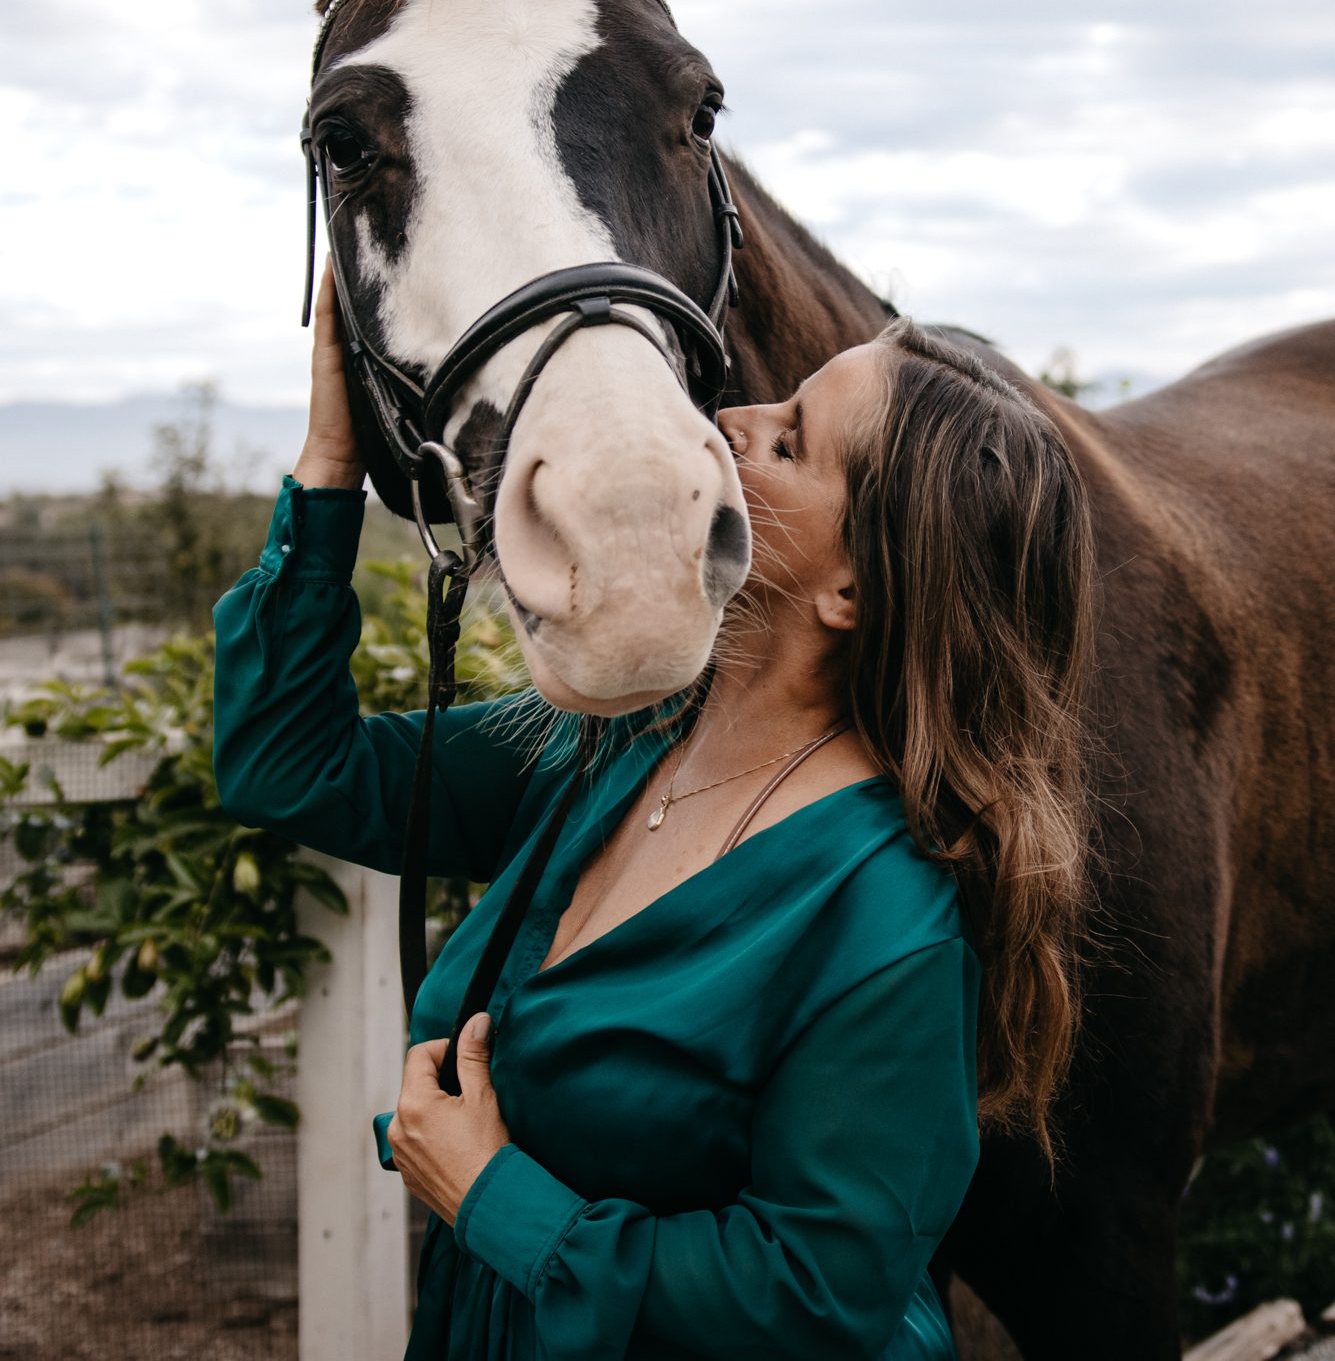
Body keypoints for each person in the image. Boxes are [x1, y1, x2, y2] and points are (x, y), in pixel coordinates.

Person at [213, 263, 1097, 1361]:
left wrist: (495, 1197)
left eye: (788, 441)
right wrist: (331, 460)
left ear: (855, 588)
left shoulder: (887, 917)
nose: (726, 421)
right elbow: (290, 763)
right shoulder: (608, 736)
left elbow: (814, 1299)